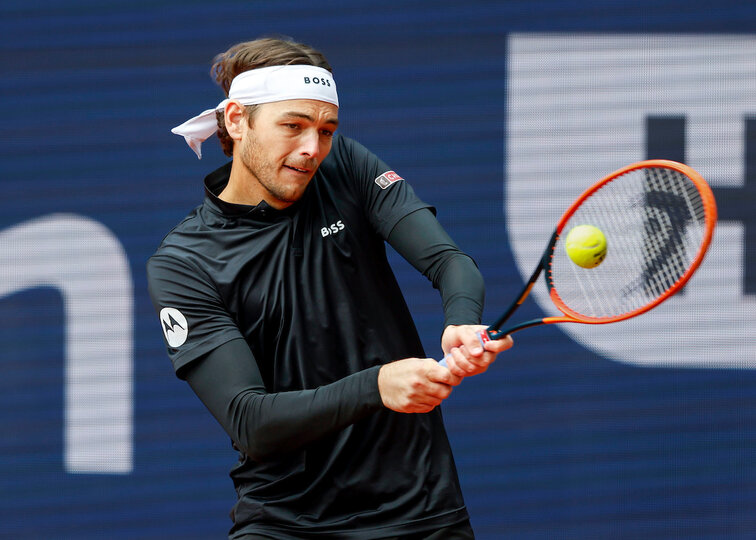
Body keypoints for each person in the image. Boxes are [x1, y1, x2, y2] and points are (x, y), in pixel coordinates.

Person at [147, 37, 513, 539]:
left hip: (421, 511)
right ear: (236, 120)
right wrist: (378, 385)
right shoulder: (184, 263)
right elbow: (251, 422)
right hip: (285, 523)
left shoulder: (347, 168)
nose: (311, 149)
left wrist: (461, 319)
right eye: (293, 126)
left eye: (326, 130)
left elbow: (450, 262)